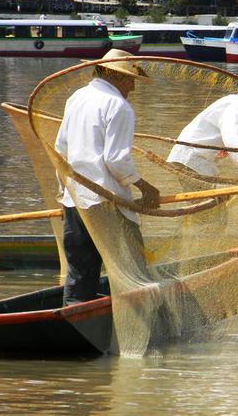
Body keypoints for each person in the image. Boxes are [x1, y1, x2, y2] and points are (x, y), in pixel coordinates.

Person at [54, 48, 160, 305]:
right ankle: (143, 324)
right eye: (131, 79)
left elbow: (60, 149)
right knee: (132, 269)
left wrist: (63, 192)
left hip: (75, 201)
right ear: (117, 77)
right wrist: (146, 188)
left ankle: (77, 321)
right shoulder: (119, 106)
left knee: (80, 273)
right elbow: (116, 160)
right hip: (107, 202)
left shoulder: (77, 97)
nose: (133, 87)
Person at [166, 78, 238, 181]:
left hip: (192, 158)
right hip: (192, 157)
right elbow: (235, 143)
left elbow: (235, 147)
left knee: (205, 202)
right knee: (218, 199)